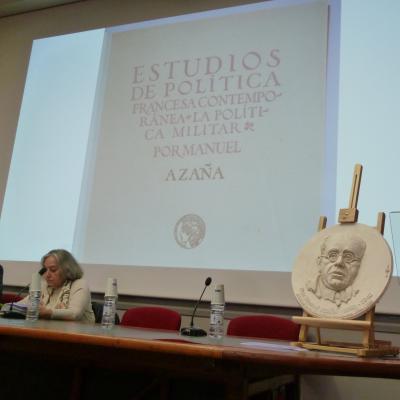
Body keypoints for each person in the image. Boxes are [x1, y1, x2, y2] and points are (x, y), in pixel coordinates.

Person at [20, 249, 95, 323]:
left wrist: (48, 313)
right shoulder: (43, 286)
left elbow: (74, 314)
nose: (47, 275)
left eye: (53, 270)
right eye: (45, 270)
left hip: (78, 330)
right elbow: (21, 305)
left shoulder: (79, 284)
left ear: (67, 270)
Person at [306, 233, 367, 306]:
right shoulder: (309, 288)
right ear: (319, 262)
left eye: (348, 257)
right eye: (332, 255)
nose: (339, 262)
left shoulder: (362, 292)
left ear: (359, 265)